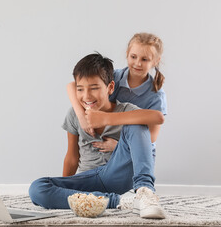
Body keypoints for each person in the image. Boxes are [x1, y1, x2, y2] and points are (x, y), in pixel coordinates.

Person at [29, 53, 166, 219]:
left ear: (110, 88)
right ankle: (120, 201)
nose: (86, 96)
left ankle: (145, 191)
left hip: (116, 174)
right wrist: (64, 190)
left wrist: (106, 118)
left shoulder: (125, 110)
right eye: (80, 89)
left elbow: (158, 117)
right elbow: (72, 157)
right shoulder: (74, 115)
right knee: (38, 188)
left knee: (137, 123)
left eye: (94, 88)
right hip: (90, 178)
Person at [66, 33, 166, 172]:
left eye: (144, 59)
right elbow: (73, 85)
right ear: (127, 54)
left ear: (155, 61)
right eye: (133, 57)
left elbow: (152, 136)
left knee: (135, 128)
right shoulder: (116, 76)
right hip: (106, 144)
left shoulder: (155, 95)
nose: (137, 63)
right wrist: (82, 117)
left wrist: (119, 144)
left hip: (136, 149)